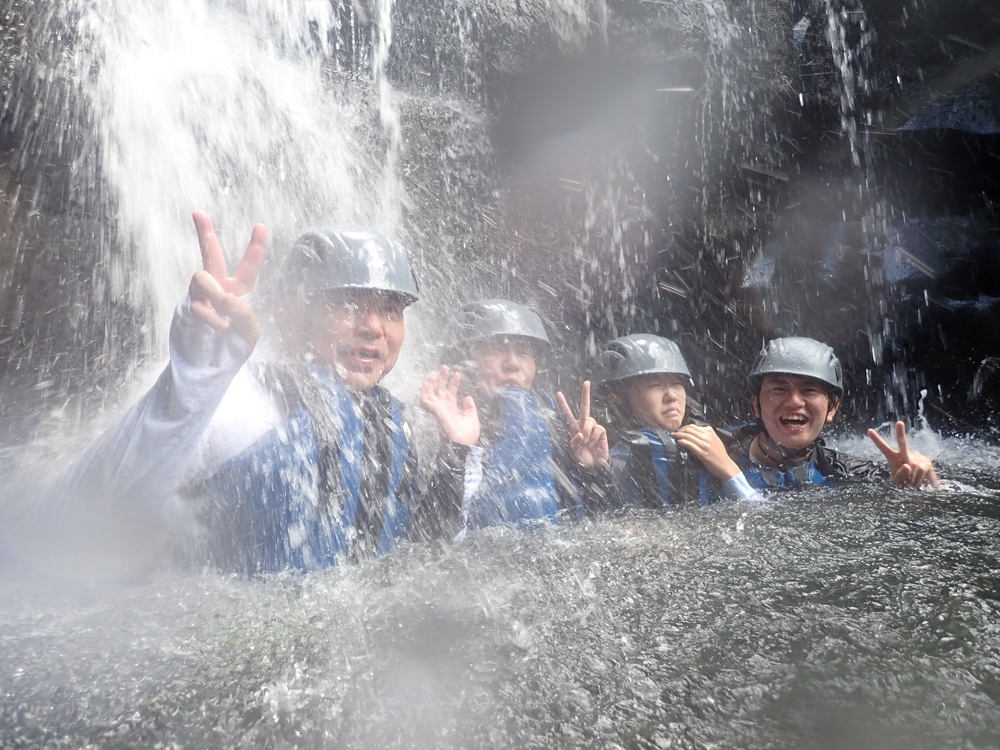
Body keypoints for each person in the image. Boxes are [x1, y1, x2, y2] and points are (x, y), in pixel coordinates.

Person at [46, 211, 424, 576]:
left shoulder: (395, 424)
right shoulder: (240, 400)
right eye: (348, 304)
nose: (373, 327)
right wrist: (194, 383)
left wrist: (454, 456)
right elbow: (85, 510)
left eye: (389, 310)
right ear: (293, 314)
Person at [414, 299, 611, 540]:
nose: (512, 364)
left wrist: (593, 472)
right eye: (497, 349)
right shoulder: (430, 424)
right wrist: (456, 450)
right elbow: (425, 539)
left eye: (523, 353)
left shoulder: (554, 423)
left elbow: (598, 531)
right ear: (463, 361)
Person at [730, 336, 939, 490]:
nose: (794, 401)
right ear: (755, 404)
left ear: (832, 408)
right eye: (779, 389)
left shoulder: (848, 472)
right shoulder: (717, 453)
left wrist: (918, 484)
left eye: (809, 390)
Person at [595, 334, 761, 508]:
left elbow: (757, 514)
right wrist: (594, 471)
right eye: (655, 385)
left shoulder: (714, 445)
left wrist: (728, 469)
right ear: (616, 398)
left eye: (676, 384)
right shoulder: (612, 457)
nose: (672, 396)